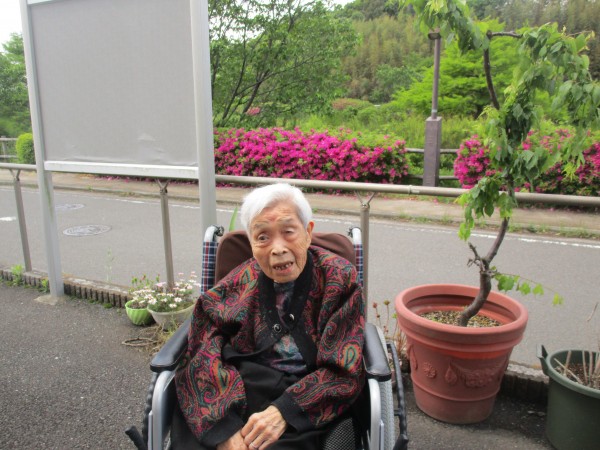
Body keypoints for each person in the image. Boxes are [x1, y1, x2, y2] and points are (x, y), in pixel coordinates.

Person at [173, 183, 365, 450]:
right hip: (238, 389)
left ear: (308, 232)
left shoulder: (340, 280)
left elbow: (344, 371)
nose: (277, 248)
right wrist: (224, 430)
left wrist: (284, 411)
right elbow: (200, 350)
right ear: (252, 243)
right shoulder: (238, 283)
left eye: (288, 231)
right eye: (262, 237)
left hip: (306, 399)